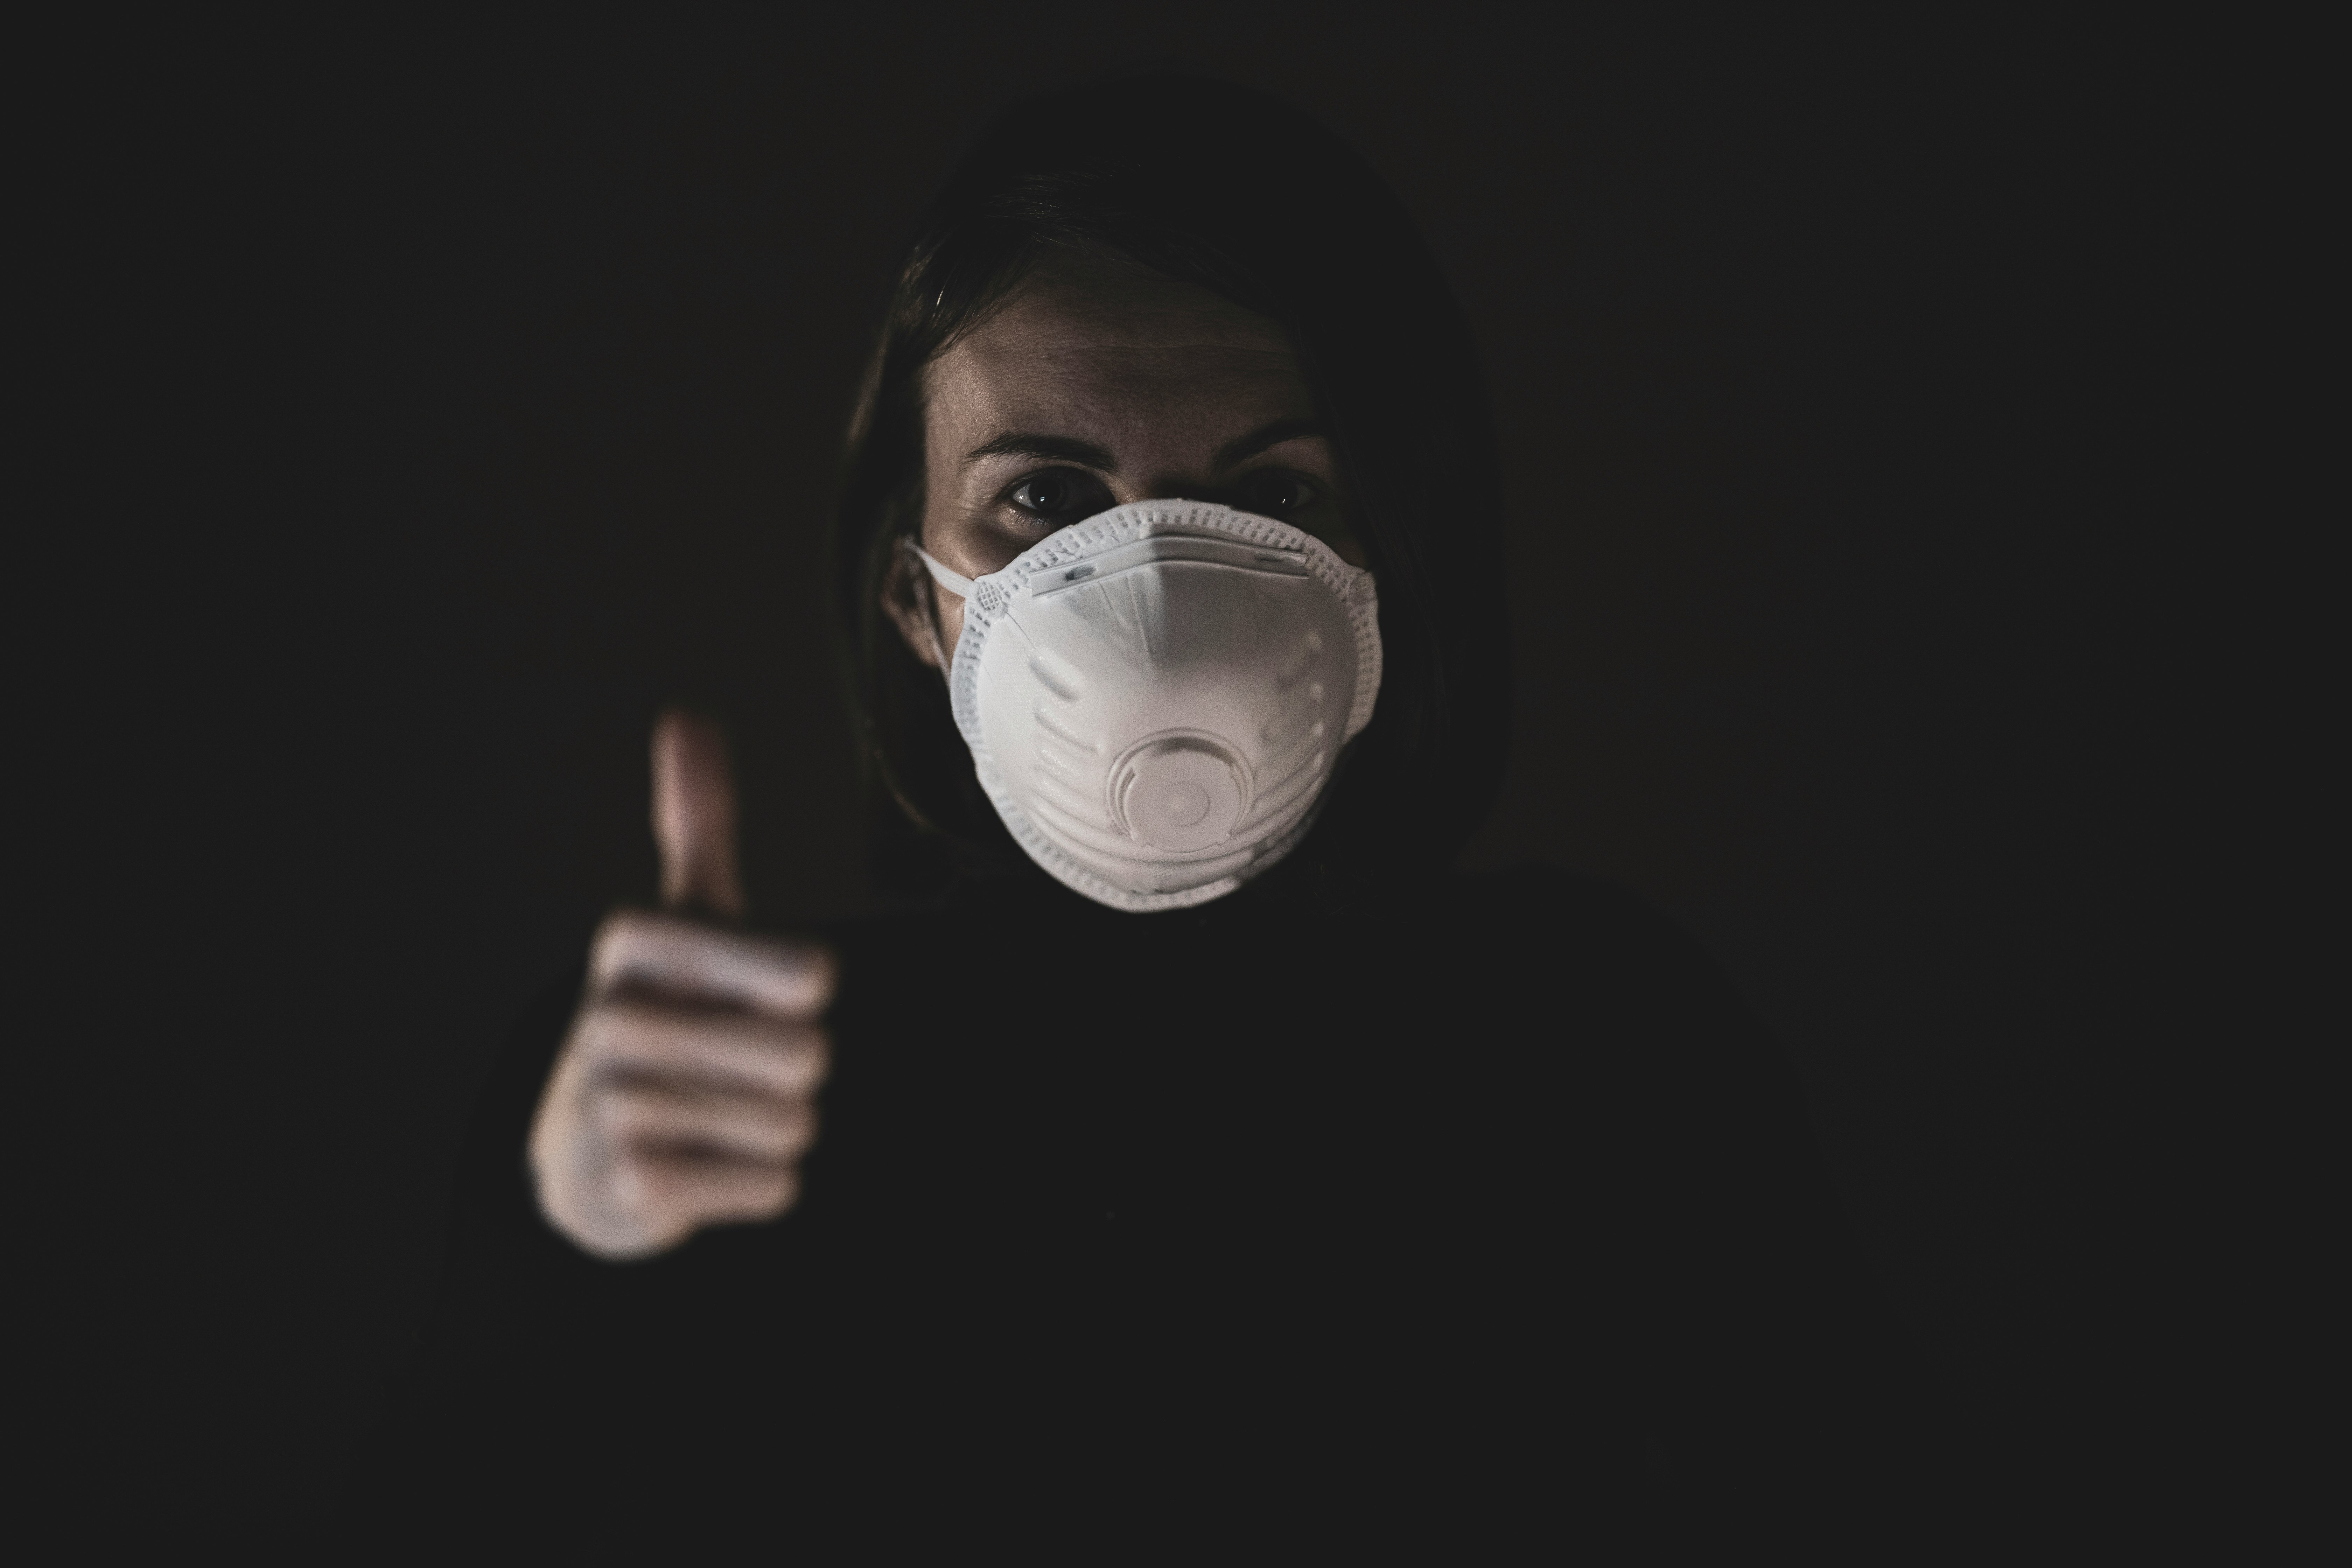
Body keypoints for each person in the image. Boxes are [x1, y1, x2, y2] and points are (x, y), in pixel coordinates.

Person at [341, 68, 1932, 1557]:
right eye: (1043, 496)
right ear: (918, 597)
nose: (1162, 601)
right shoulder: (714, 1095)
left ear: (1390, 566)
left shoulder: (1614, 1052)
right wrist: (570, 1256)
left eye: (1274, 494)